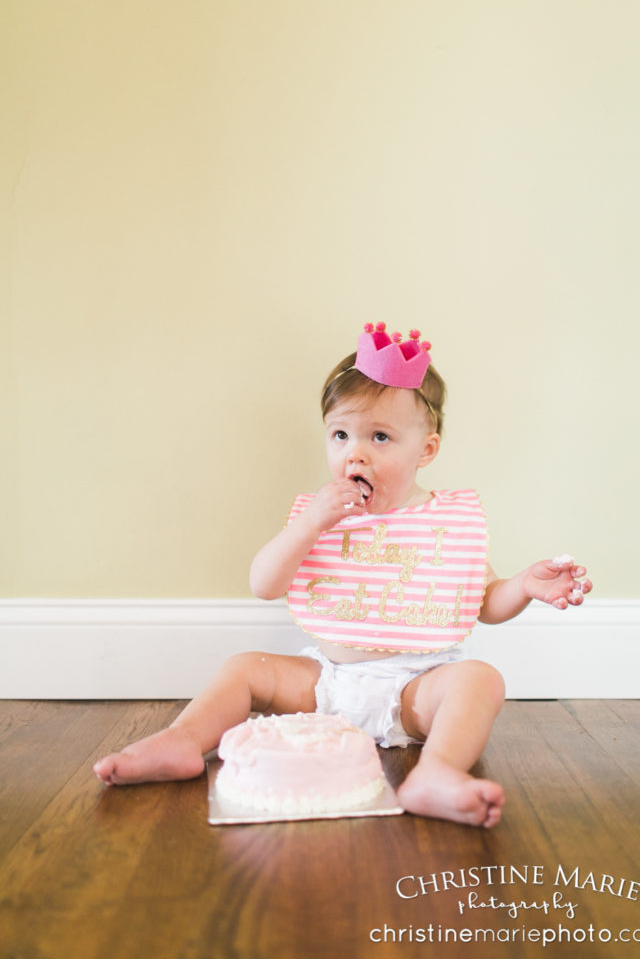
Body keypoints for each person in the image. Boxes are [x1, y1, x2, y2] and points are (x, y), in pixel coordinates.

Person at [94, 322, 592, 827]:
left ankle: (436, 771)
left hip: (414, 691)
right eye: (340, 435)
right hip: (327, 683)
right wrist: (310, 525)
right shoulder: (321, 516)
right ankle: (181, 741)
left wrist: (524, 586)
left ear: (427, 451)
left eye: (380, 436)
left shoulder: (441, 522)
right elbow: (264, 585)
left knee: (481, 680)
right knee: (245, 667)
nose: (355, 453)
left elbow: (484, 601)